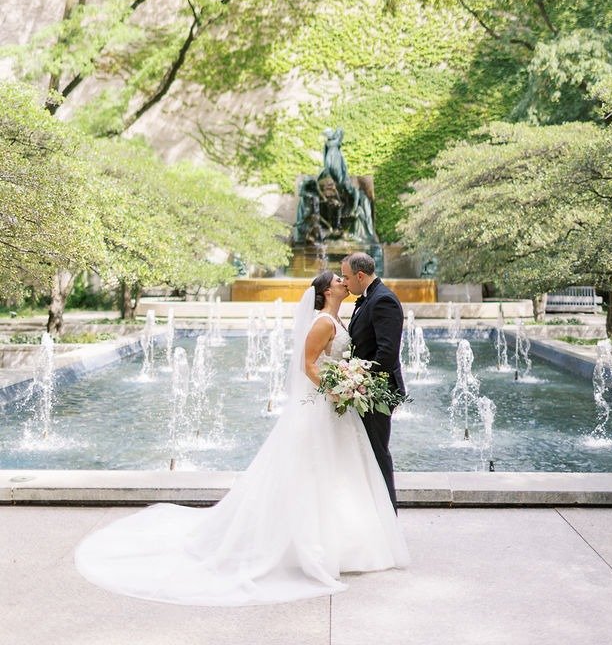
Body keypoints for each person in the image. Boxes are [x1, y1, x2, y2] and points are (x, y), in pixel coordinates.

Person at [74, 271, 408, 607]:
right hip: (323, 405)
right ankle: (303, 543)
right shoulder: (322, 322)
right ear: (325, 290)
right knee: (312, 472)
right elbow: (308, 363)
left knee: (339, 473)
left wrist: (347, 382)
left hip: (335, 408)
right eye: (338, 279)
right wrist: (335, 389)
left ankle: (345, 541)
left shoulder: (338, 319)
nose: (343, 282)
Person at [340, 252, 405, 510]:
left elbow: (386, 354)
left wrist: (359, 382)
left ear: (360, 275)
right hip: (364, 390)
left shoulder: (383, 300)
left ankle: (389, 514)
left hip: (377, 393)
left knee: (378, 453)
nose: (344, 283)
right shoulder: (368, 298)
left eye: (346, 277)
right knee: (367, 453)